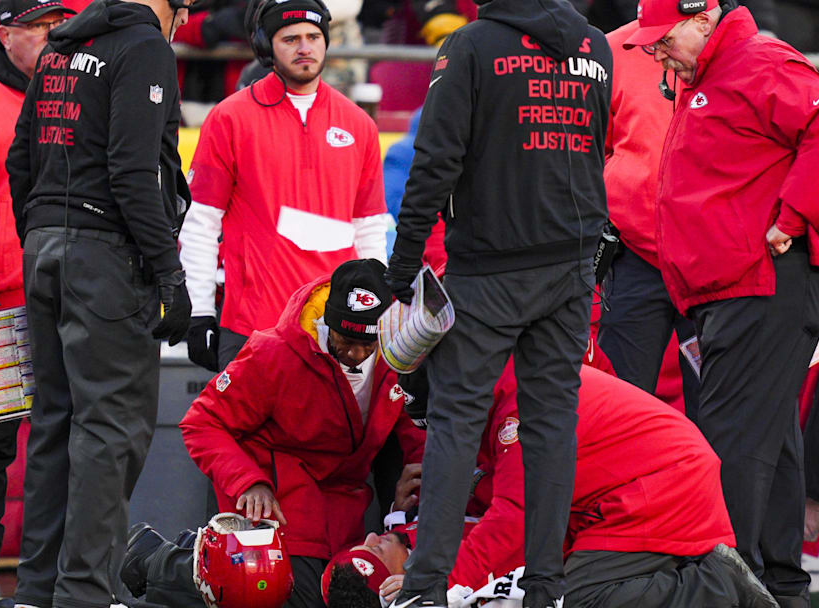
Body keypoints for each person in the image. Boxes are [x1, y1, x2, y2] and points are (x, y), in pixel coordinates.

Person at [624, 0, 819, 606]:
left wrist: (795, 217)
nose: (657, 49)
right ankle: (778, 583)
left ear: (702, 19)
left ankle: (717, 589)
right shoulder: (719, 70)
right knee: (771, 441)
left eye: (664, 36)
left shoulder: (755, 62)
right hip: (739, 288)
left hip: (761, 286)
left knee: (733, 445)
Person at [383, 0, 612, 605]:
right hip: (570, 266)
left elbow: (433, 162)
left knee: (457, 422)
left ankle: (426, 587)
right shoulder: (597, 47)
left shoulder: (470, 46)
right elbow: (598, 150)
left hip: (488, 266)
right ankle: (545, 587)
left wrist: (404, 265)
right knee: (553, 425)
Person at [5, 0, 193, 604]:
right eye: (184, 9)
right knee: (110, 430)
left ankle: (36, 591)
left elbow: (19, 159)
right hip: (106, 259)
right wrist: (170, 274)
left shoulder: (59, 48)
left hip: (45, 251)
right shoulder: (144, 49)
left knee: (55, 425)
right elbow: (133, 174)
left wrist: (40, 236)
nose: (184, 23)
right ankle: (85, 594)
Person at [329, 365, 778, 608]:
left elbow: (515, 519)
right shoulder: (504, 389)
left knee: (568, 598)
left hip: (660, 489)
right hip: (635, 486)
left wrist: (438, 582)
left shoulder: (517, 409)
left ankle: (718, 586)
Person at [135, 260, 426, 608]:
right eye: (346, 341)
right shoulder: (274, 353)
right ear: (327, 323)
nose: (356, 354)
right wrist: (248, 481)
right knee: (281, 593)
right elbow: (202, 421)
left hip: (346, 513)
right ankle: (165, 562)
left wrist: (420, 476)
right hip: (281, 504)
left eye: (368, 344)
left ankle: (192, 557)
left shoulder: (399, 358)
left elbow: (415, 427)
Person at [178, 0, 389, 372]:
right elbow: (201, 223)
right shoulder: (230, 117)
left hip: (333, 331)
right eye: (290, 38)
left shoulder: (359, 124)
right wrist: (199, 311)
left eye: (313, 37)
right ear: (266, 47)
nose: (304, 47)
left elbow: (369, 229)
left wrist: (374, 309)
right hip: (251, 329)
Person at [0, 3, 75, 607]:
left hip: (59, 298)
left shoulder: (65, 96)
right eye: (37, 26)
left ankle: (45, 580)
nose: (48, 37)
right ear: (4, 31)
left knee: (51, 439)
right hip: (2, 302)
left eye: (55, 26)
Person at [596, 18, 702, 421]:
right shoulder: (609, 49)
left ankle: (715, 488)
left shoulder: (736, 48)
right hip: (635, 256)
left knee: (718, 413)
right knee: (617, 407)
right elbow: (591, 151)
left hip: (712, 266)